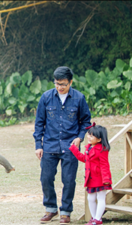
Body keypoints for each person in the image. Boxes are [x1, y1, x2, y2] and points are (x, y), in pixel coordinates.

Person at [33, 66, 91, 224]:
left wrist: (80, 138)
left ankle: (66, 211)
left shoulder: (79, 98)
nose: (59, 87)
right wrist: (39, 145)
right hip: (49, 146)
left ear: (70, 82)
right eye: (57, 84)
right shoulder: (46, 98)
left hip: (70, 146)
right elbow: (39, 123)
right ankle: (51, 209)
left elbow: (86, 121)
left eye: (63, 84)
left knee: (69, 180)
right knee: (46, 178)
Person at [69, 123, 112, 225]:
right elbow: (84, 158)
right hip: (91, 178)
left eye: (92, 136)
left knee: (101, 198)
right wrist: (75, 149)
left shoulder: (102, 150)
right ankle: (94, 218)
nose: (89, 137)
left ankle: (98, 219)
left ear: (99, 139)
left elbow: (104, 164)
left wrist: (106, 179)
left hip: (100, 178)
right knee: (91, 198)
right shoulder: (89, 147)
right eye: (89, 134)